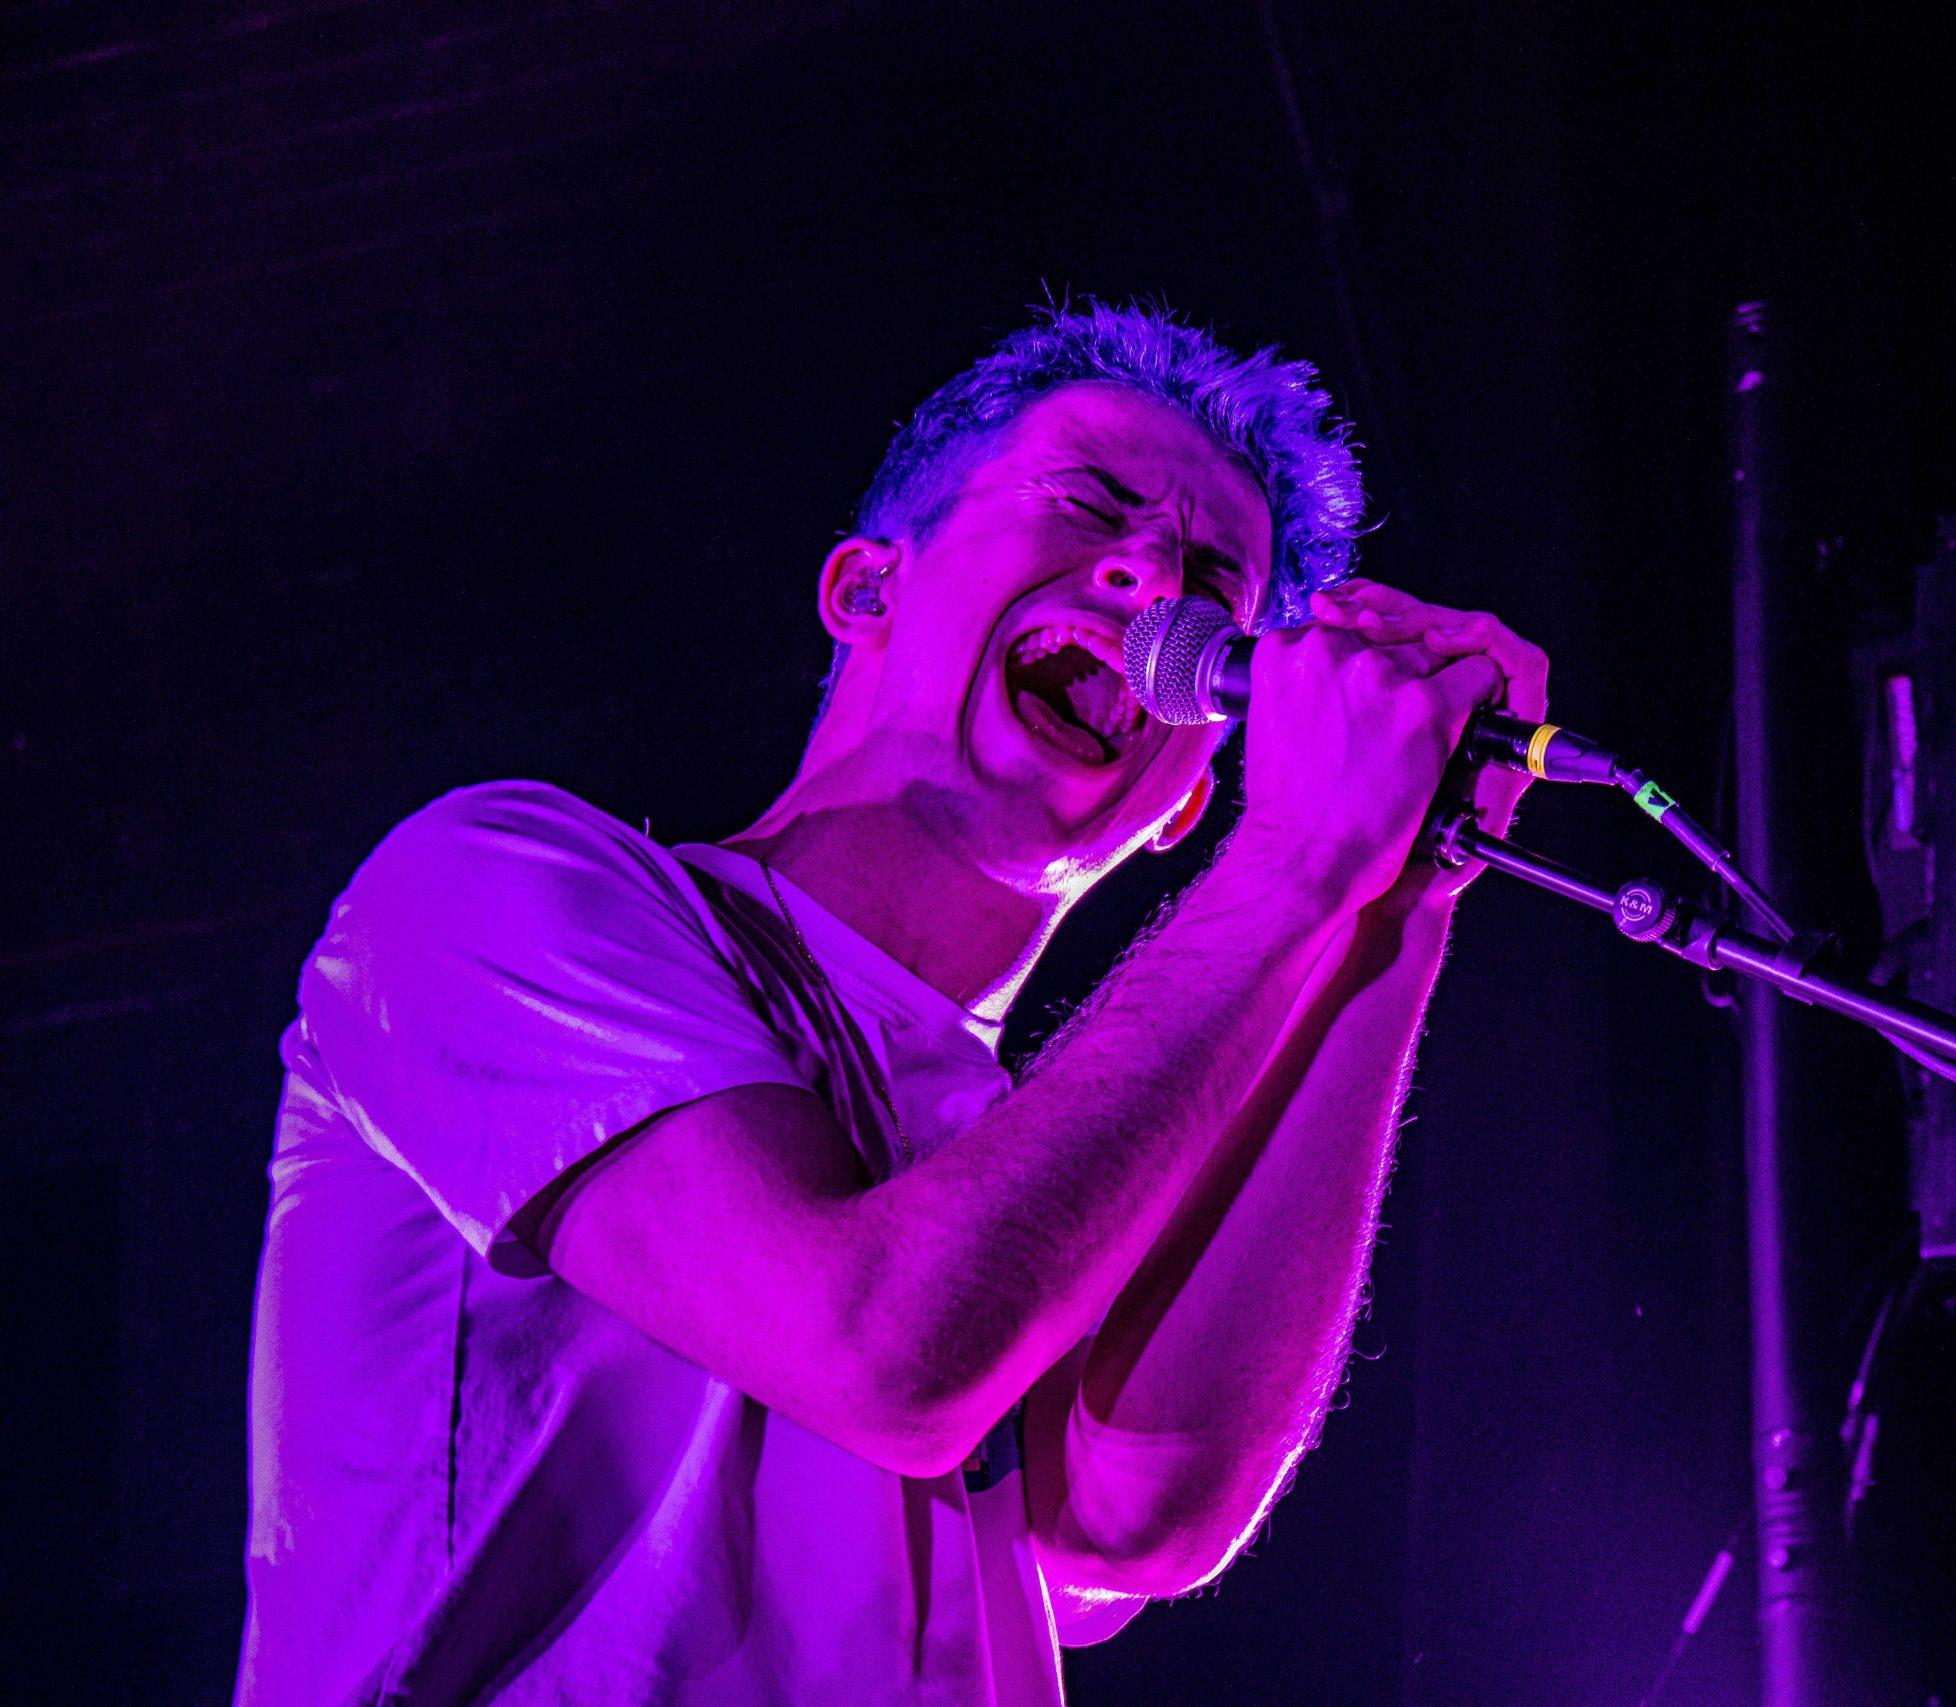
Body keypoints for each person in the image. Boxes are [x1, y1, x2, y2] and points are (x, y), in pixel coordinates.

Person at [234, 302, 1547, 1705]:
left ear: (1181, 807)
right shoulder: (496, 885)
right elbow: (885, 1352)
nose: (1152, 578)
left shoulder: (1053, 1157)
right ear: (867, 589)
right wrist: (1290, 870)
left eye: (1213, 591)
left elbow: (1137, 1520)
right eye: (1090, 503)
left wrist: (1398, 895)